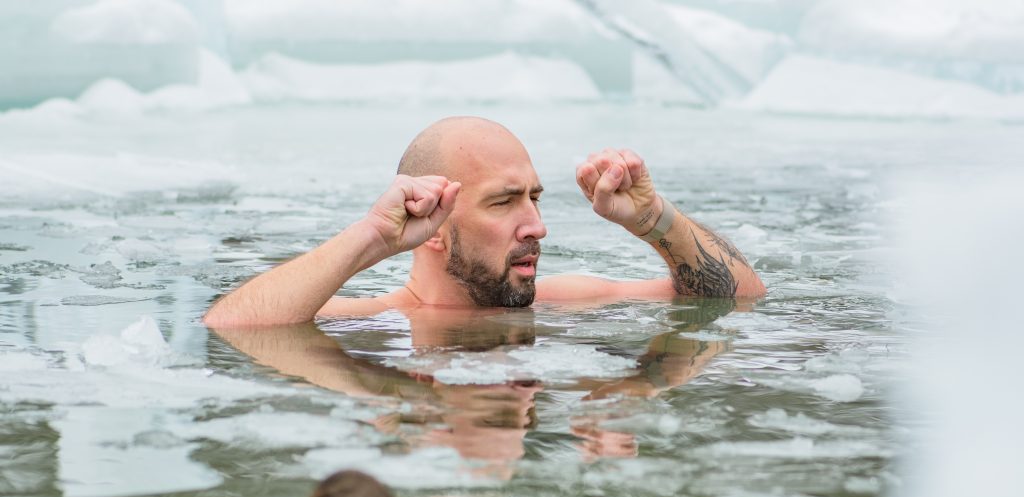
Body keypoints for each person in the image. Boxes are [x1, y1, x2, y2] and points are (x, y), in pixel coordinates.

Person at [202, 116, 765, 328]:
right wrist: (373, 237)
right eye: (503, 202)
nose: (536, 226)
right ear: (433, 226)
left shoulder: (566, 299)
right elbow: (231, 326)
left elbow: (737, 295)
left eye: (535, 198)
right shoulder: (377, 322)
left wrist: (655, 221)